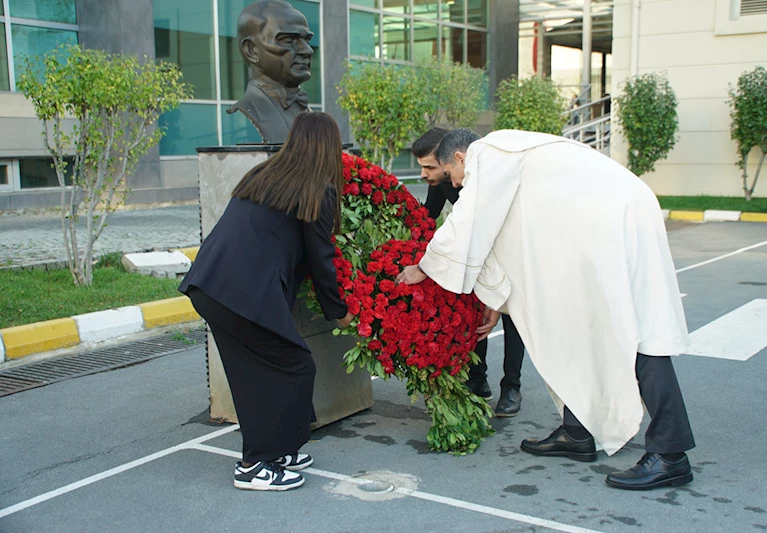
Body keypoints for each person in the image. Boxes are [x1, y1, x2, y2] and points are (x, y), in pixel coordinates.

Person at [397, 128, 695, 491]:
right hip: (609, 219)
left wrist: (422, 267)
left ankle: (671, 454)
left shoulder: (487, 155)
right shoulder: (509, 151)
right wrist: (494, 300)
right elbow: (501, 235)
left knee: (637, 332)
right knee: (574, 327)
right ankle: (578, 431)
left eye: (449, 175)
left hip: (609, 223)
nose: (456, 186)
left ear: (459, 158)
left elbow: (469, 225)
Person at [179, 113, 354, 491]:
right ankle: (254, 465)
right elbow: (320, 259)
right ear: (328, 147)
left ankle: (276, 451)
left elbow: (284, 251)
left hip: (211, 285)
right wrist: (338, 312)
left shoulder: (267, 177)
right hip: (237, 292)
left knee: (258, 374)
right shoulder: (317, 190)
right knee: (294, 366)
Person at [412, 128, 526, 417]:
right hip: (479, 252)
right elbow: (429, 216)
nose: (426, 174)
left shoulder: (485, 178)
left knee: (513, 317)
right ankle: (477, 378)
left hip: (512, 249)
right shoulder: (444, 180)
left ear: (453, 159)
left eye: (431, 167)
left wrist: (426, 266)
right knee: (476, 313)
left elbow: (466, 225)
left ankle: (511, 386)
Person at [226, 0, 315, 143]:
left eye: (307, 41)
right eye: (287, 40)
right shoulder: (249, 113)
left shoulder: (306, 111)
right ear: (251, 50)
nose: (307, 50)